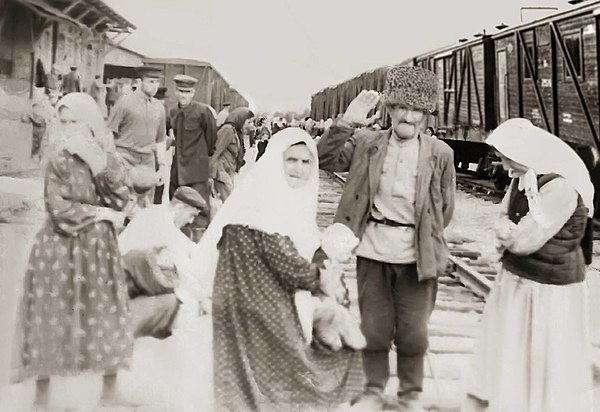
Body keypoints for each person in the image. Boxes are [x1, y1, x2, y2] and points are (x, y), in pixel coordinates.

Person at [317, 65, 456, 411]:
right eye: (401, 108)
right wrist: (346, 121)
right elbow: (324, 157)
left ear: (426, 115)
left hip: (415, 255)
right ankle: (374, 388)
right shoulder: (367, 144)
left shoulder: (441, 155)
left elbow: (445, 208)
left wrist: (422, 233)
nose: (408, 116)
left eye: (417, 110)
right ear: (390, 109)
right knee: (374, 328)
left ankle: (410, 393)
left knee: (414, 332)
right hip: (373, 250)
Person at [198, 127, 363, 411]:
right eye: (291, 160)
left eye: (305, 161)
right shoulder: (262, 200)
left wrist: (325, 277)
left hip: (270, 304)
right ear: (277, 160)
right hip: (252, 312)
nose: (298, 168)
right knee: (325, 364)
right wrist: (322, 280)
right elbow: (283, 259)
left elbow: (299, 256)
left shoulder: (294, 202)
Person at [11, 93, 135, 409]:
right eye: (63, 122)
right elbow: (57, 207)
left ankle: (109, 391)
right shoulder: (58, 159)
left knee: (105, 315)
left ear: (91, 123)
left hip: (99, 251)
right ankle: (42, 397)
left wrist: (99, 165)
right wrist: (98, 214)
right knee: (51, 317)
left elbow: (122, 199)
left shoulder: (108, 158)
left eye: (74, 121)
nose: (67, 129)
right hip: (58, 248)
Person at [465, 118, 595, 412]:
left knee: (543, 356)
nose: (504, 165)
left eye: (507, 157)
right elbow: (503, 219)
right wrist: (508, 232)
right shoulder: (523, 178)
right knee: (514, 351)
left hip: (550, 287)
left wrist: (507, 234)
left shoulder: (561, 187)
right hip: (519, 280)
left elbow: (526, 241)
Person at [119, 183, 208, 339]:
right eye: (191, 215)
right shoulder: (168, 229)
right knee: (180, 299)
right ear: (180, 208)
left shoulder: (152, 212)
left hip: (120, 270)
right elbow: (185, 272)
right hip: (127, 282)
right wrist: (204, 297)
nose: (190, 221)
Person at [107, 66, 167, 204]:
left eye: (157, 82)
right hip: (126, 159)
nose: (155, 86)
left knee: (146, 205)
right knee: (123, 203)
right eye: (151, 82)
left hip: (148, 163)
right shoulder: (124, 102)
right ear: (140, 82)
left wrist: (162, 166)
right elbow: (109, 133)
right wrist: (112, 161)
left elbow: (160, 140)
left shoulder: (159, 107)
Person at [168, 74, 217, 233]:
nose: (183, 95)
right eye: (180, 91)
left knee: (200, 208)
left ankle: (199, 238)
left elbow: (211, 139)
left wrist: (202, 158)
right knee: (178, 208)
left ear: (193, 93)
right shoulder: (173, 112)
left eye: (187, 92)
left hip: (196, 170)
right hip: (178, 170)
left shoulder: (203, 112)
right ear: (176, 92)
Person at [209, 107, 254, 202]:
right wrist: (209, 175)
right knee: (227, 203)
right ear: (241, 119)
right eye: (248, 122)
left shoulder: (236, 131)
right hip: (221, 173)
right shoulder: (227, 130)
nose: (250, 125)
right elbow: (215, 151)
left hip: (228, 172)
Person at [21, 87, 60, 163]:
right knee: (36, 144)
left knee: (40, 144)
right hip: (35, 128)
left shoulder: (46, 108)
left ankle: (37, 157)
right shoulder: (34, 106)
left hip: (42, 127)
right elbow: (25, 118)